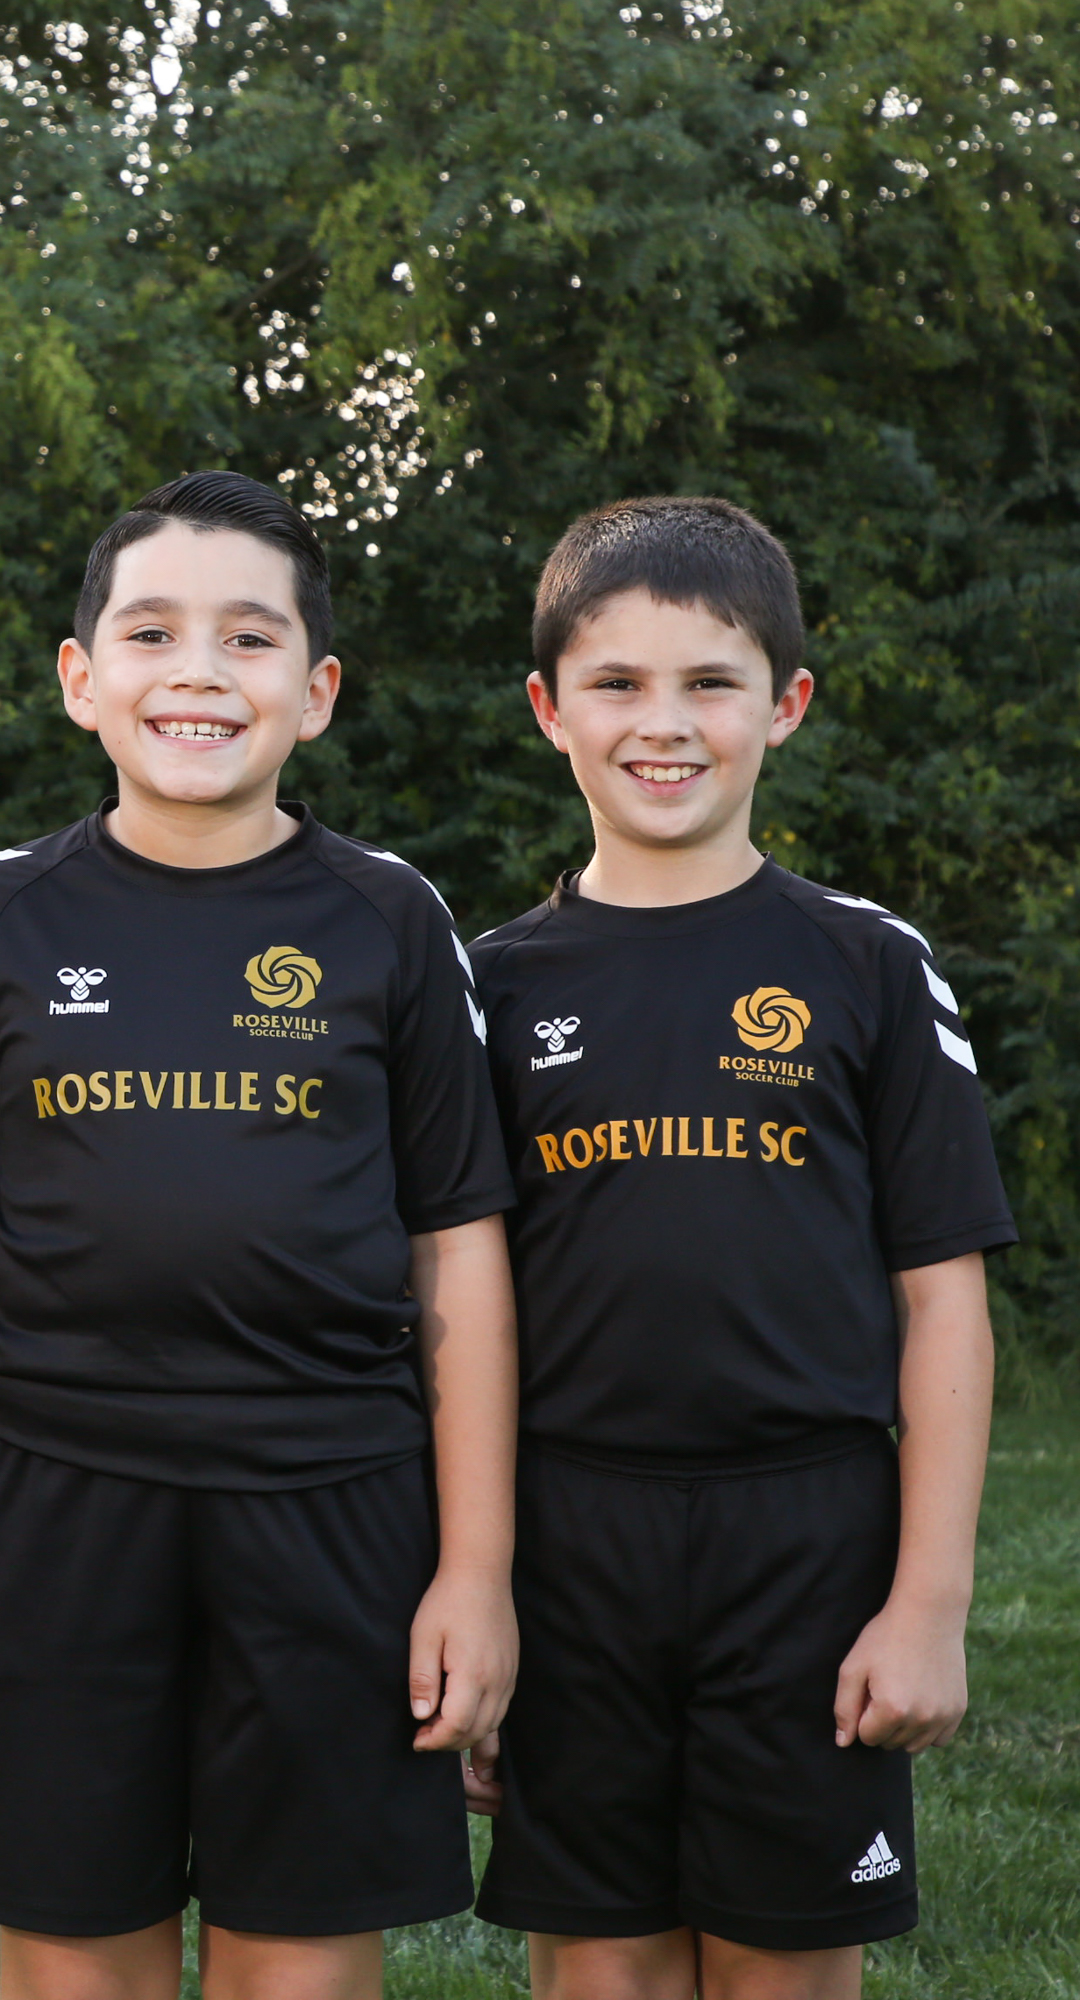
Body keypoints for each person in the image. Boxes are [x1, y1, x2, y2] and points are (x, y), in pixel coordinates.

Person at [0, 471, 522, 2000]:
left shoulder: (389, 919)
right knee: (70, 1961)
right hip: (51, 1508)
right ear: (79, 678)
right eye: (152, 632)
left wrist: (476, 1569)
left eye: (249, 638)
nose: (198, 672)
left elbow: (458, 1252)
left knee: (300, 1964)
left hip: (332, 1505)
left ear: (316, 692)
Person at [467, 497, 1016, 2000]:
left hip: (810, 1538)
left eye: (711, 682)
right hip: (569, 1540)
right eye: (617, 683)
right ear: (549, 710)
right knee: (603, 1967)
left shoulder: (867, 965)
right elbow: (452, 1312)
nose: (665, 723)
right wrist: (475, 1588)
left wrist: (929, 1604)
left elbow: (945, 1305)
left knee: (786, 1964)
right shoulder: (484, 990)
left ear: (786, 704)